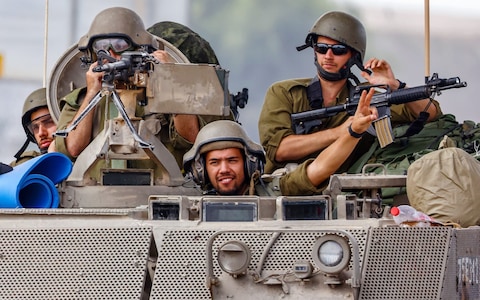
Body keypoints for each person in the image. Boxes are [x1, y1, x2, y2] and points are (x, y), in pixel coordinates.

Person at [258, 11, 442, 181]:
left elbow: (429, 113)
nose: (328, 56)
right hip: (286, 190)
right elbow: (279, 150)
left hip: (345, 192)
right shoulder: (285, 92)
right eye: (322, 48)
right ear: (314, 50)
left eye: (338, 50)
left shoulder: (368, 96)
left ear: (353, 55)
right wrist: (345, 131)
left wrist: (395, 85)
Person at [184, 88, 377, 196]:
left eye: (232, 160)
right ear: (201, 169)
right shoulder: (192, 205)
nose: (224, 168)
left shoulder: (274, 190)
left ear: (249, 163)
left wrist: (353, 132)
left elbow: (319, 169)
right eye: (214, 162)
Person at [10, 88, 56, 166]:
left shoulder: (82, 158)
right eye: (35, 127)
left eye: (48, 122)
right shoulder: (26, 165)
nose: (41, 133)